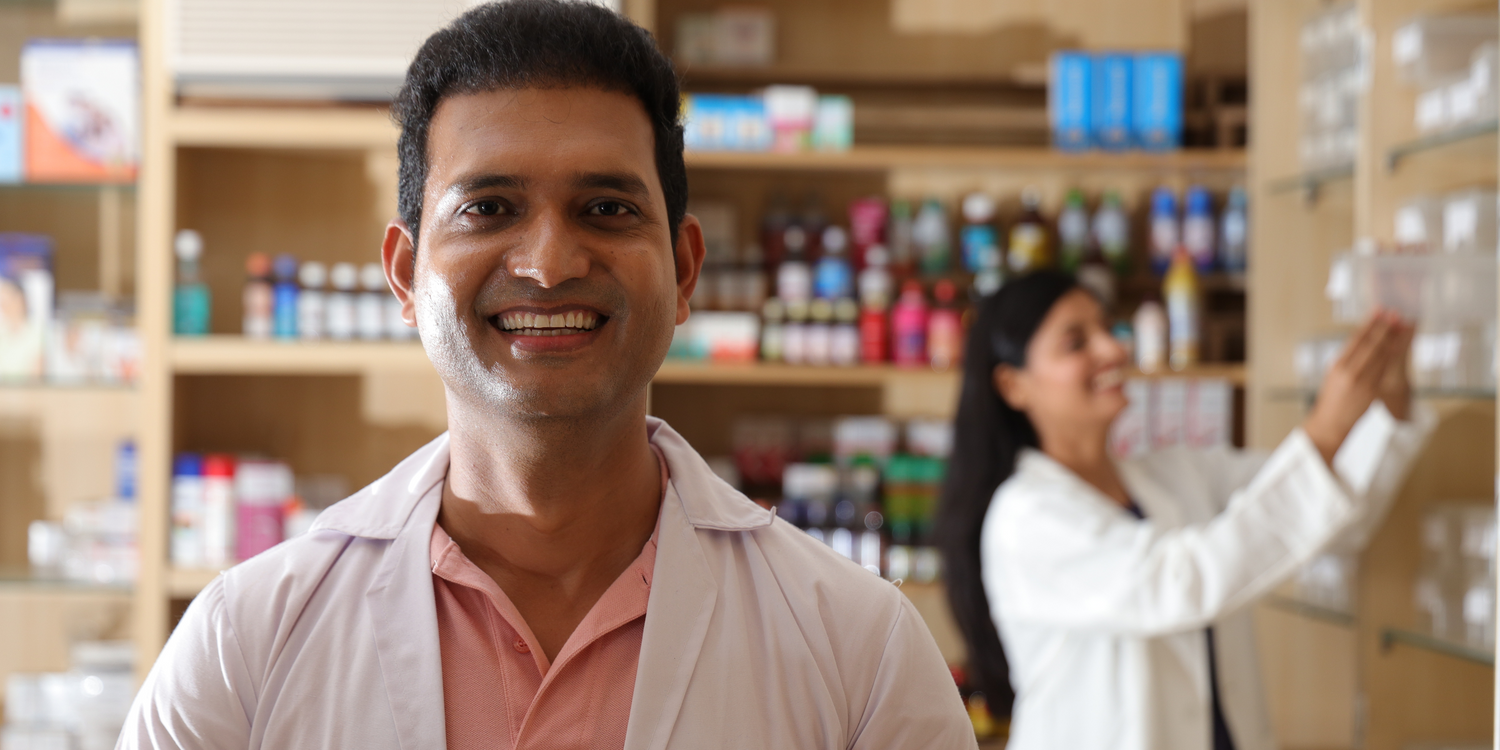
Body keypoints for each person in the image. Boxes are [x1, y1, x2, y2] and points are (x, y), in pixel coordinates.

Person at [118, 3, 975, 748]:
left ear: (682, 271)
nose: (549, 261)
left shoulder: (859, 651)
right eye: (488, 209)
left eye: (607, 208)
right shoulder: (248, 642)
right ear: (406, 274)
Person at [936, 271, 1432, 750]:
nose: (1114, 349)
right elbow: (1180, 581)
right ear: (1013, 386)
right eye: (1075, 342)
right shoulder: (1026, 516)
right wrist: (1322, 430)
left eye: (1107, 329)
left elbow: (1333, 512)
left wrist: (1388, 386)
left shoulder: (1177, 475)